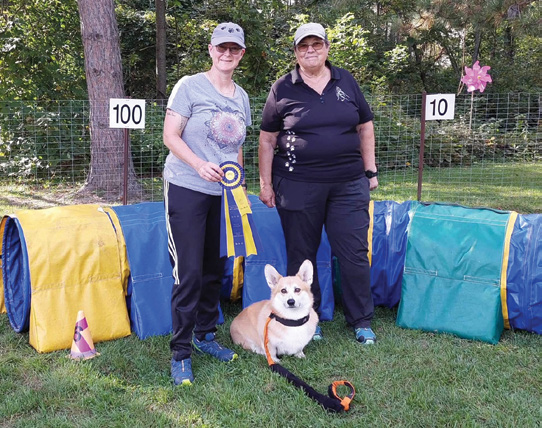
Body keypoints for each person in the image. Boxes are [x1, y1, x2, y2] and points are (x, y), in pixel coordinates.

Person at [258, 23, 378, 345]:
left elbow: (365, 127)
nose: (310, 50)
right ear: (295, 51)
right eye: (303, 46)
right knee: (301, 256)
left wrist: (371, 171)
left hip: (349, 183)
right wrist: (265, 184)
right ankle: (309, 318)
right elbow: (267, 140)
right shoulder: (282, 88)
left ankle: (361, 320)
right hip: (297, 185)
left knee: (353, 253)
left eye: (316, 44)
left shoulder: (346, 81)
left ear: (326, 47)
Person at [162, 22, 250, 386]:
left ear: (241, 54)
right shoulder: (189, 86)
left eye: (234, 49)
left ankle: (205, 335)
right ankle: (181, 352)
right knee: (190, 273)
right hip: (186, 186)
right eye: (221, 47)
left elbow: (237, 146)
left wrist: (239, 183)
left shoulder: (242, 96)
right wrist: (198, 164)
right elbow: (170, 135)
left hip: (225, 196)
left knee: (215, 269)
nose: (227, 54)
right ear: (211, 50)